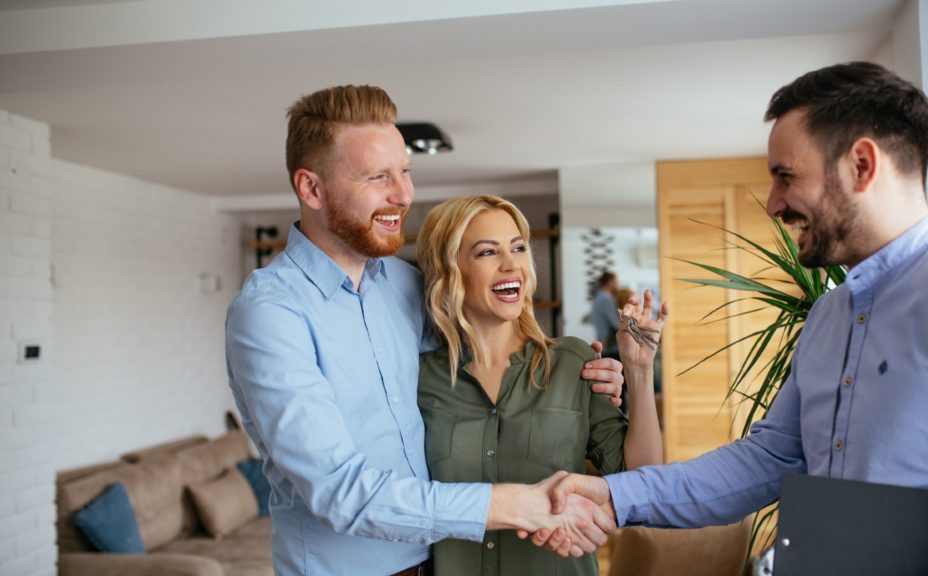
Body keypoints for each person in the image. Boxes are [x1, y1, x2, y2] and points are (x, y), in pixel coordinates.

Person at [535, 62, 928, 575]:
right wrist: (613, 494)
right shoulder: (829, 316)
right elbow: (769, 460)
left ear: (861, 164)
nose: (773, 204)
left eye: (786, 177)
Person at [224, 85, 624, 576]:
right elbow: (338, 491)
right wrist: (517, 505)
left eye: (405, 172)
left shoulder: (404, 285)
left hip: (437, 563)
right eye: (378, 177)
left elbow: (482, 367)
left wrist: (597, 374)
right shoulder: (270, 313)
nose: (404, 195)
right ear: (311, 189)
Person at [415, 195, 666, 575]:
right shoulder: (419, 379)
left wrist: (639, 371)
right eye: (487, 252)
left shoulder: (573, 363)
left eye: (518, 247)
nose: (511, 264)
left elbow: (642, 481)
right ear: (450, 270)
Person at [590, 270, 620, 356]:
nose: (618, 284)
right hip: (612, 348)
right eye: (616, 281)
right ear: (610, 282)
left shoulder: (597, 298)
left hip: (604, 346)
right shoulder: (606, 300)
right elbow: (617, 324)